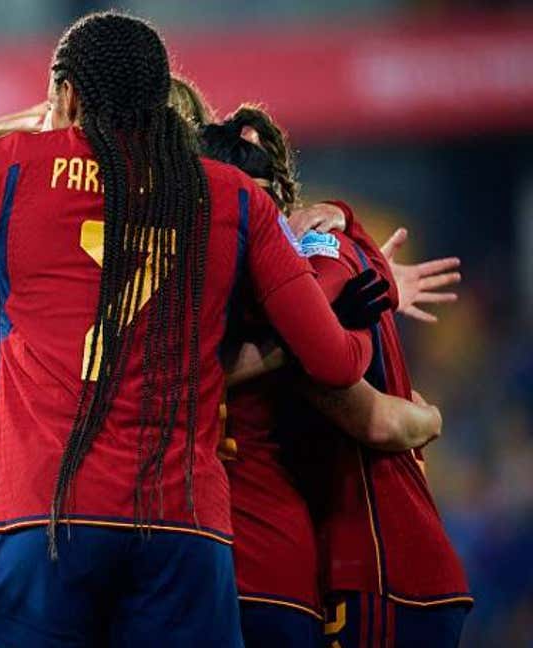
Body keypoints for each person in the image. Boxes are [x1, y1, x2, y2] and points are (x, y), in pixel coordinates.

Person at [0, 12, 393, 646]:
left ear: (66, 94)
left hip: (46, 516)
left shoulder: (8, 164)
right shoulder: (233, 195)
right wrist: (358, 325)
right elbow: (334, 364)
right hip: (180, 523)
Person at [199, 107, 451, 647]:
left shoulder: (204, 292)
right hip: (297, 569)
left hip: (369, 566)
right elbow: (369, 402)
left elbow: (369, 406)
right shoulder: (288, 289)